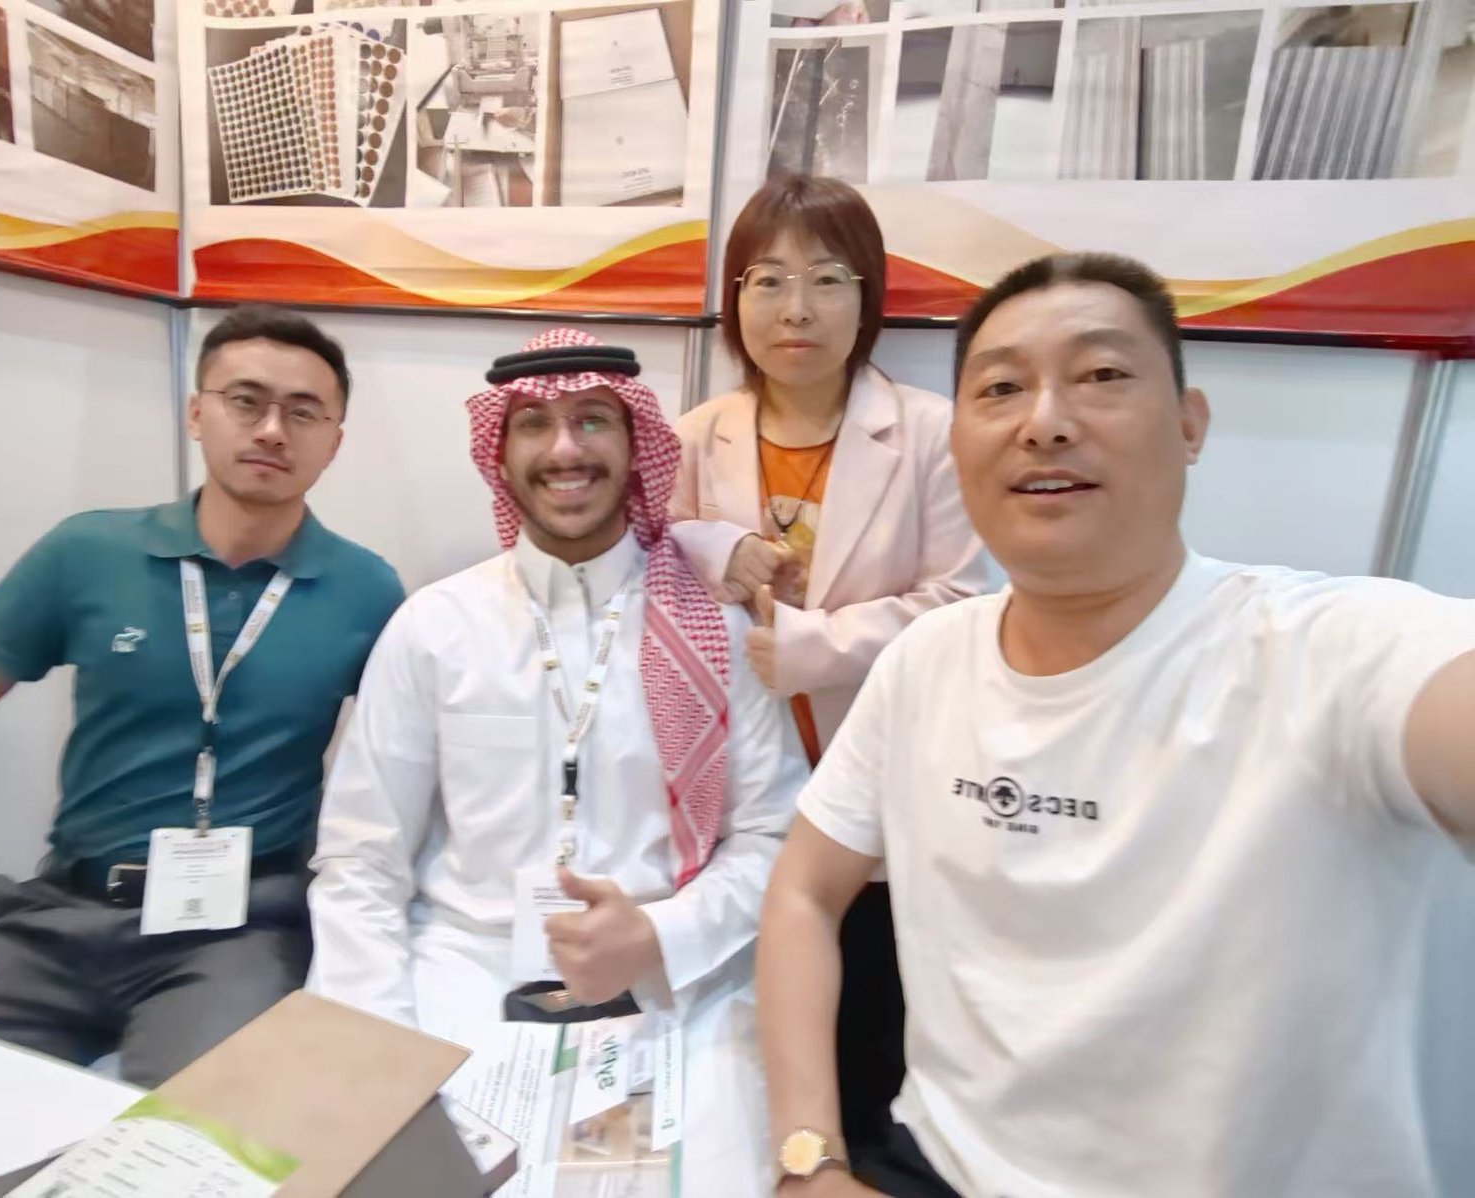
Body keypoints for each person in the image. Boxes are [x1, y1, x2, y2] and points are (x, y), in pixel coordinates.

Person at [757, 252, 1475, 1198]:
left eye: (1101, 374)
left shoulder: (1331, 650)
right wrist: (810, 1160)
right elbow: (804, 891)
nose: (1045, 422)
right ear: (958, 443)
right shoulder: (924, 661)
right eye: (1001, 388)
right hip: (935, 1164)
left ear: (1189, 425)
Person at [306, 327, 808, 1196]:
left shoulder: (715, 630)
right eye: (534, 424)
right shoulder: (435, 627)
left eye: (593, 420)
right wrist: (376, 1047)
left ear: (637, 445)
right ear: (499, 454)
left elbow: (775, 839)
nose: (565, 449)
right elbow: (361, 859)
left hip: (673, 994)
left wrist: (662, 935)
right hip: (463, 980)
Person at [0, 305, 405, 1087]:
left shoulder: (366, 590)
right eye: (246, 401)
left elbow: (408, 763)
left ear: (334, 442)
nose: (271, 430)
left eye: (303, 413)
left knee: (204, 1131)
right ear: (196, 414)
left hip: (239, 931)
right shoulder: (87, 552)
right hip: (61, 915)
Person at [670, 172, 986, 1159]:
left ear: (867, 296)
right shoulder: (697, 435)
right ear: (735, 300)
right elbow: (647, 565)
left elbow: (965, 603)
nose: (795, 309)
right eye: (766, 281)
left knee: (865, 1045)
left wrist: (814, 647)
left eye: (826, 279)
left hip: (877, 795)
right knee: (732, 1051)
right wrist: (716, 546)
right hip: (739, 795)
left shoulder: (930, 433)